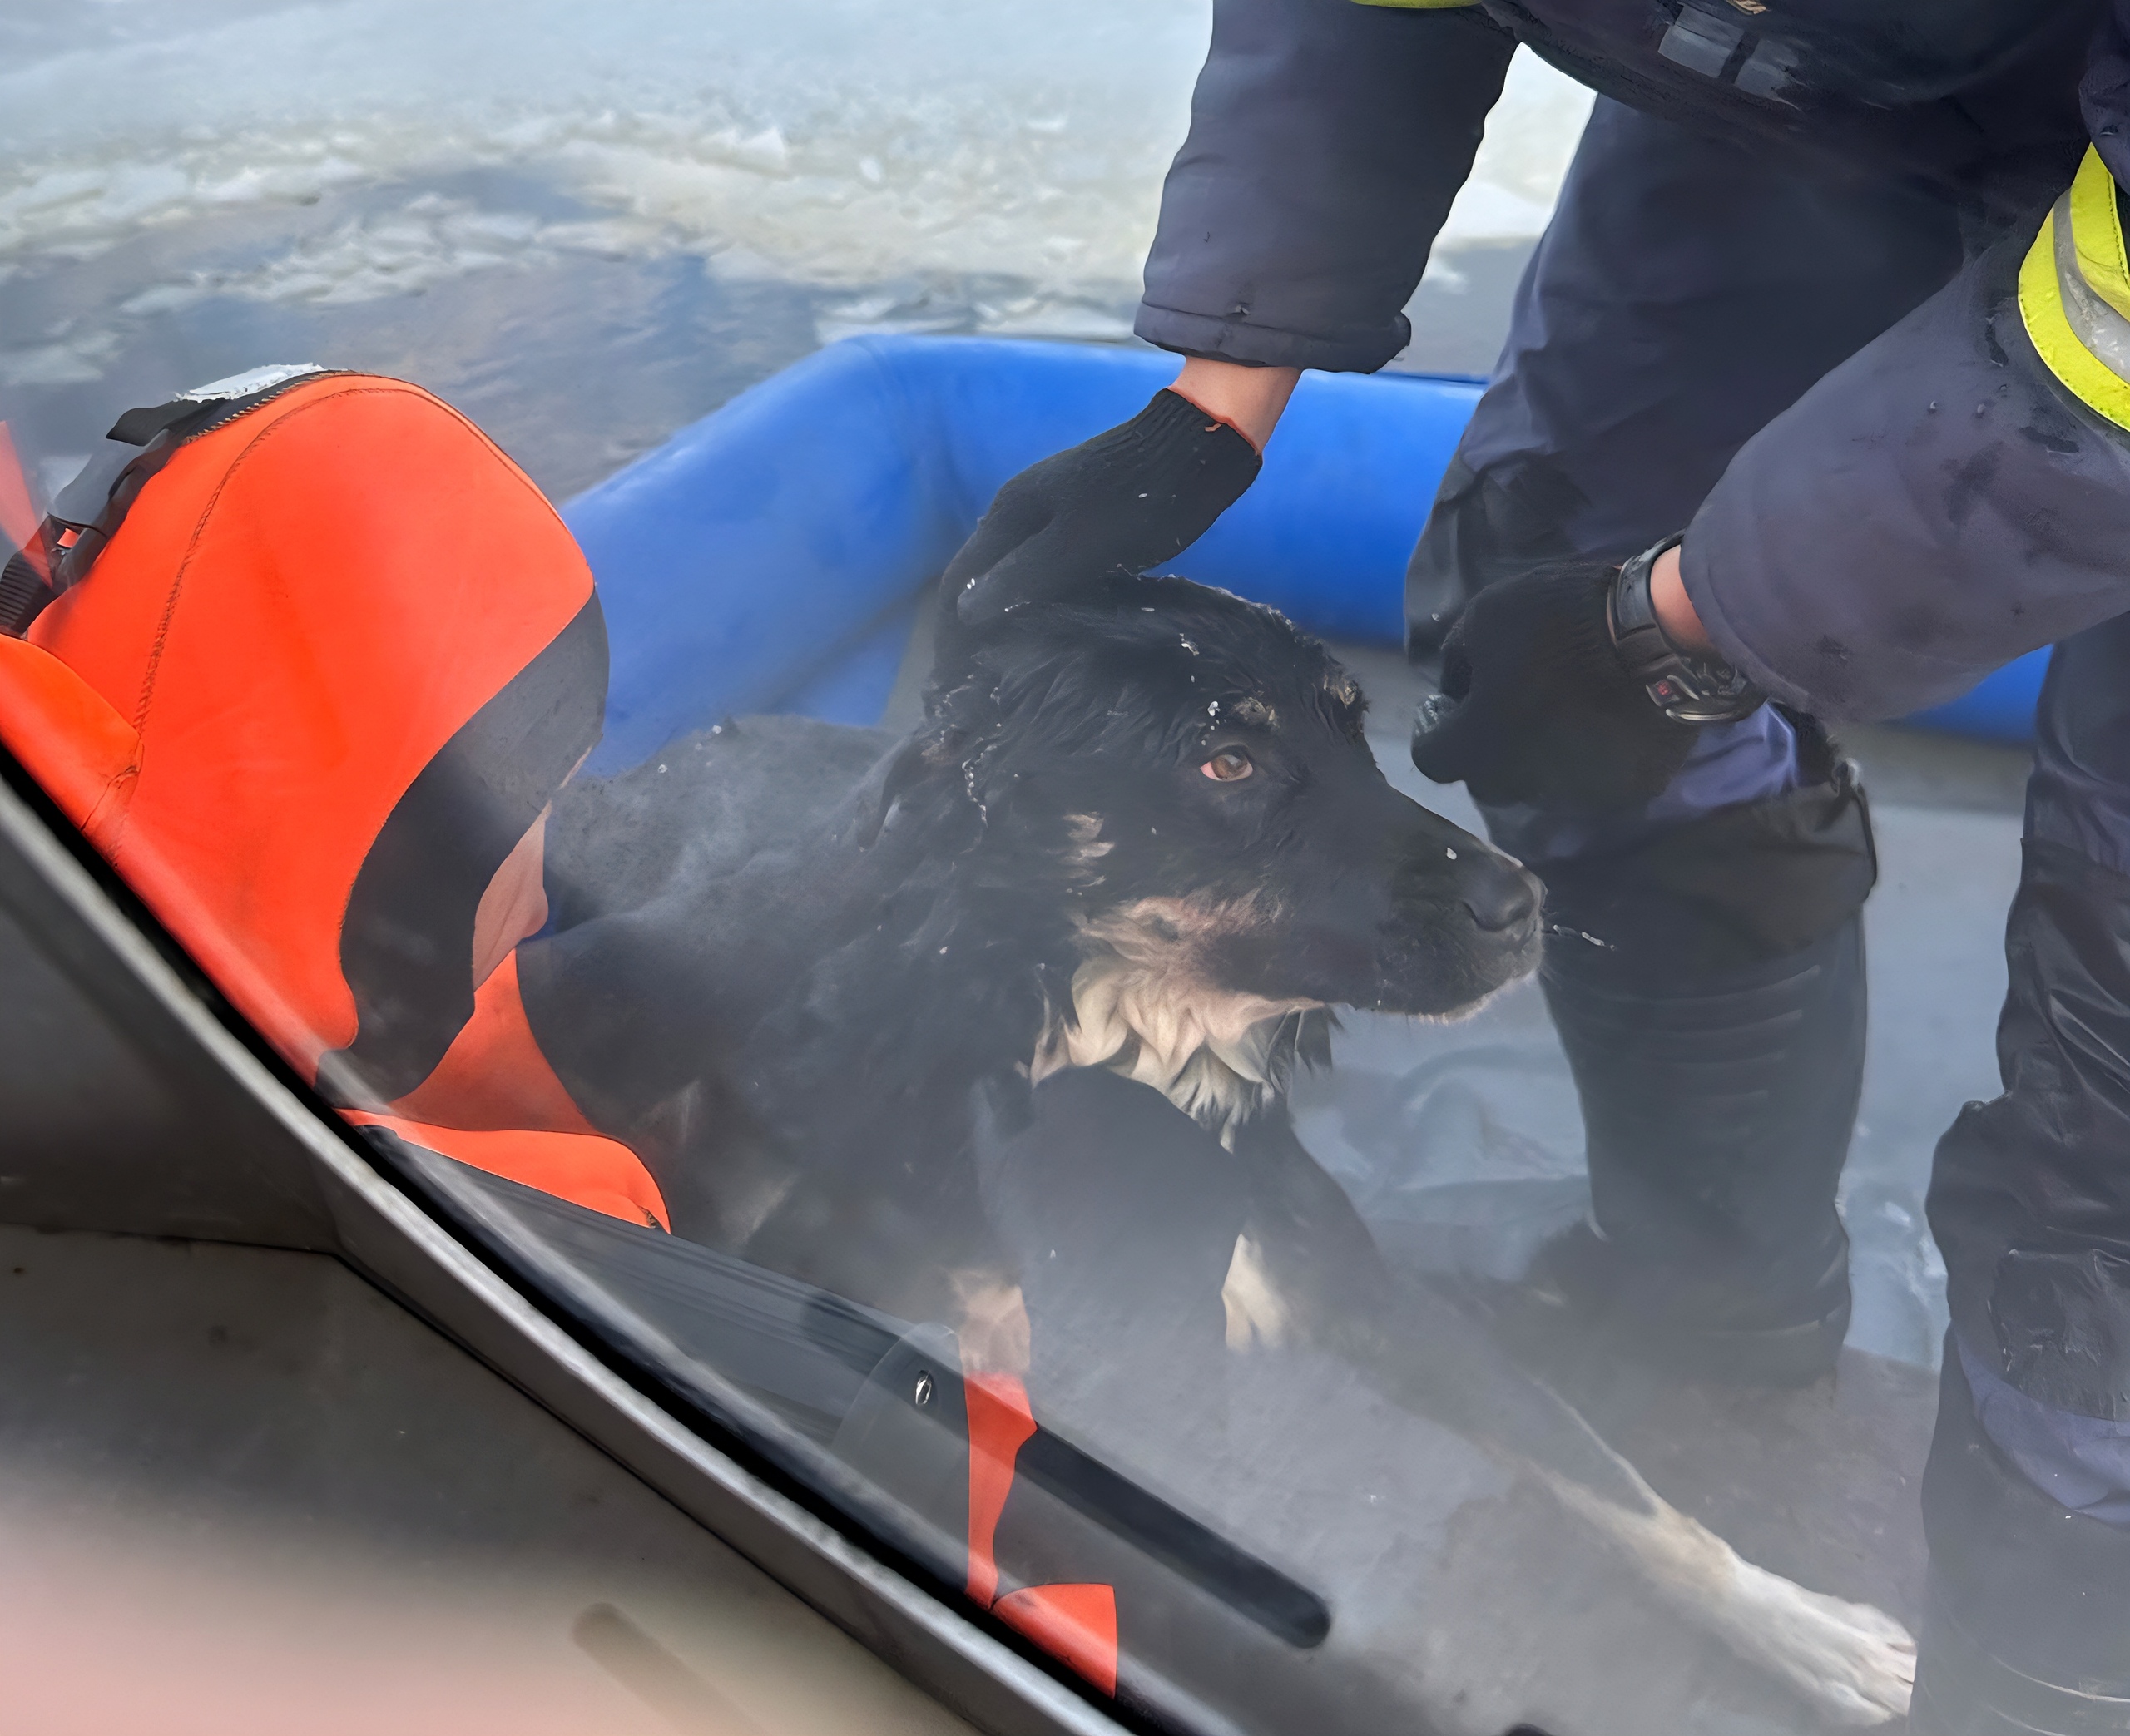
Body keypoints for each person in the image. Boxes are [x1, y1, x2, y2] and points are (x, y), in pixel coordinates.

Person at [938, 2, 2130, 1728]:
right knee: (1550, 561)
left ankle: (2041, 1685)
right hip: (1785, 95)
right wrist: (1222, 389)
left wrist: (1679, 627)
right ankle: (1718, 1297)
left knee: (2115, 1091)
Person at [0, 365, 668, 1229]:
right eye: (520, 824)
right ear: (401, 863)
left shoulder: (96, 976)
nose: (538, 905)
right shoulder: (541, 1230)